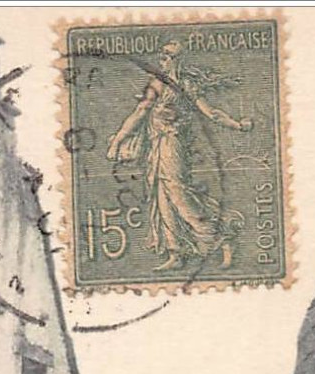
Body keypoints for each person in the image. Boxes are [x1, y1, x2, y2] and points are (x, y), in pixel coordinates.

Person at [104, 39, 254, 270]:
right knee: (162, 196)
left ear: (178, 60)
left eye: (167, 56)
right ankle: (176, 253)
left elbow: (211, 113)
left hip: (172, 146)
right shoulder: (157, 84)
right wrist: (117, 140)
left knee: (177, 193)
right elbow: (140, 112)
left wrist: (237, 125)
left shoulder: (184, 84)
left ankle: (221, 236)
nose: (162, 59)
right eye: (162, 55)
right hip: (157, 146)